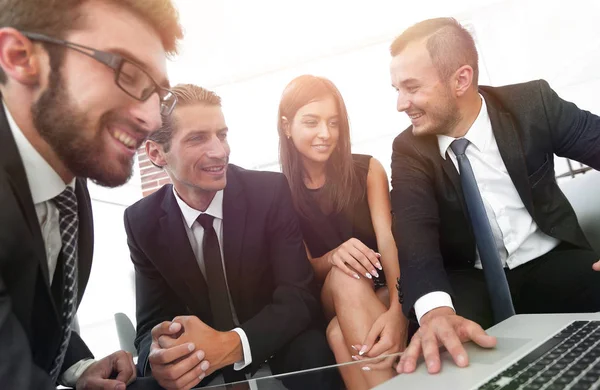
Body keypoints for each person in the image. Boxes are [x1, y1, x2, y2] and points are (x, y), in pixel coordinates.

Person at [388, 17, 600, 376]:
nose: (400, 104)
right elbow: (414, 237)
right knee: (447, 359)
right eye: (395, 89)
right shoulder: (408, 149)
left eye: (411, 88)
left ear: (461, 79)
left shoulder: (533, 104)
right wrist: (436, 312)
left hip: (552, 261)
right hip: (471, 281)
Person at [0, 0, 183, 388]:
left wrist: (78, 366)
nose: (152, 119)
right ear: (19, 57)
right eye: (128, 73)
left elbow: (27, 302)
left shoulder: (70, 165)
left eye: (158, 94)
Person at [124, 84, 340, 390]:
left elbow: (299, 296)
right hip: (200, 358)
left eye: (221, 135)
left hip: (279, 339)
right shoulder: (141, 221)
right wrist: (157, 356)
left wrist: (233, 344)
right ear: (157, 153)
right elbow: (150, 325)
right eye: (198, 138)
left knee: (316, 358)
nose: (219, 151)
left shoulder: (270, 192)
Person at [277, 75, 408, 389]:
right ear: (286, 126)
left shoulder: (368, 169)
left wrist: (399, 311)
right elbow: (305, 268)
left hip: (384, 286)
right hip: (331, 295)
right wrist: (335, 256)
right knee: (347, 276)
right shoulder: (280, 191)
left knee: (338, 334)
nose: (325, 134)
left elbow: (389, 241)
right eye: (312, 122)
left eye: (333, 123)